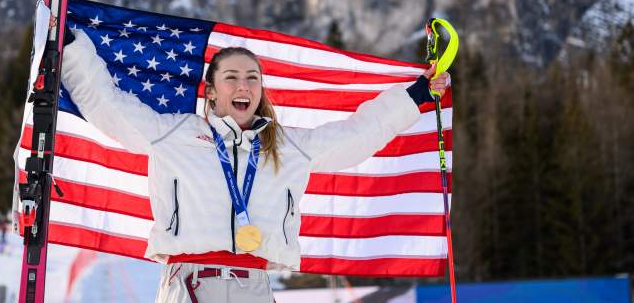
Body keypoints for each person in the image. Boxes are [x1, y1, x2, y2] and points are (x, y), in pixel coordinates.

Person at [59, 25, 450, 303]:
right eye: (231, 78)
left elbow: (355, 136)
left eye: (252, 78)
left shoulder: (287, 146)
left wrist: (415, 95)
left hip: (256, 286)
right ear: (211, 92)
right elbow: (110, 107)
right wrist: (72, 48)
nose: (243, 86)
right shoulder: (175, 134)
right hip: (189, 285)